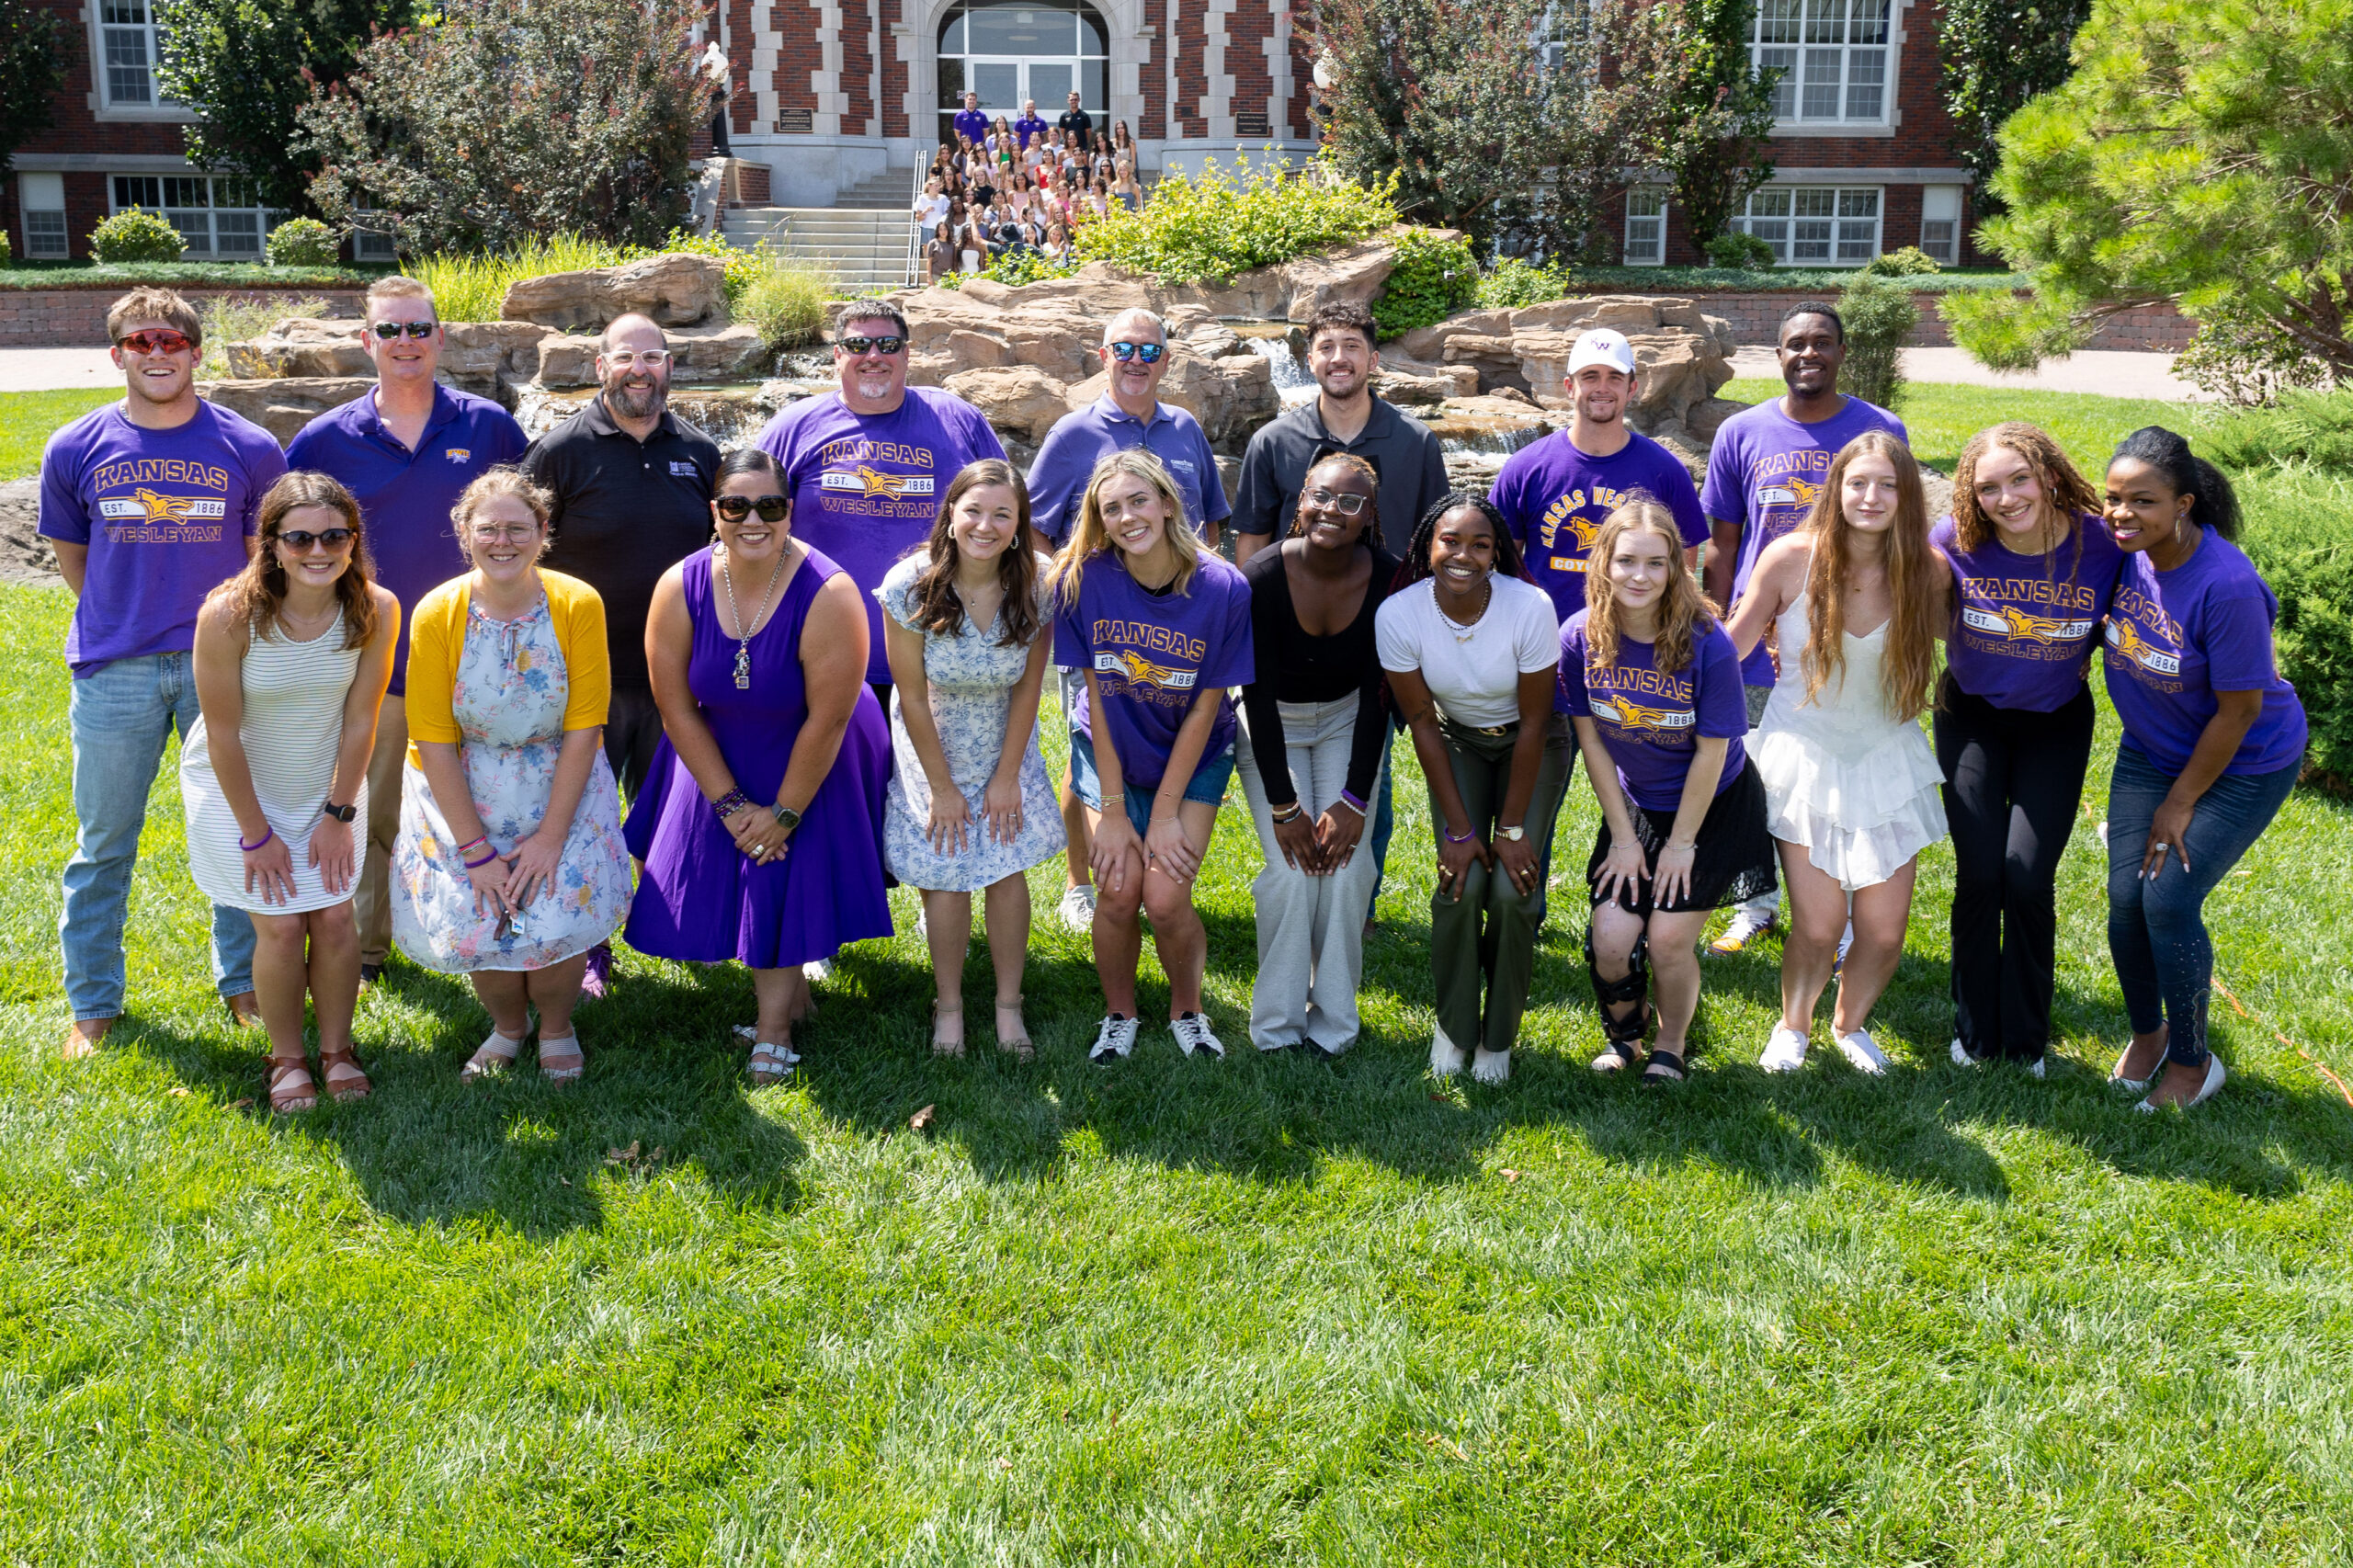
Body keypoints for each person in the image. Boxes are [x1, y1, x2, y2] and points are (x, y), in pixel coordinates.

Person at [40, 286, 284, 1057]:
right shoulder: (76, 447)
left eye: (170, 343)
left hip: (223, 665)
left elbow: (262, 562)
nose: (155, 354)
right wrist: (124, 615)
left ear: (195, 353)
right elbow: (75, 558)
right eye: (139, 343)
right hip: (114, 667)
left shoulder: (249, 447)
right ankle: (94, 1003)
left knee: (237, 827)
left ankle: (244, 985)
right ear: (116, 355)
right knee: (105, 840)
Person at [286, 273, 529, 989]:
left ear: (440, 337)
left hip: (481, 652)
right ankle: (368, 946)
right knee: (371, 804)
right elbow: (289, 541)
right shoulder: (325, 439)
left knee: (497, 800)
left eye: (418, 328)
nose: (405, 342)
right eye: (389, 330)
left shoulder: (489, 427)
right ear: (367, 342)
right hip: (374, 657)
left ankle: (507, 929)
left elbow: (528, 524)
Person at [623, 450, 893, 1084]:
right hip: (713, 736)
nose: (753, 520)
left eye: (770, 507)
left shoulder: (830, 592)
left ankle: (773, 1030)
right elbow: (673, 704)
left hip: (813, 743)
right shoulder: (679, 585)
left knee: (778, 862)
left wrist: (783, 812)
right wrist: (728, 804)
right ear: (714, 513)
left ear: (789, 511)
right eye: (736, 506)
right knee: (739, 854)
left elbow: (826, 720)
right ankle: (792, 998)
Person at [391, 469, 633, 1084]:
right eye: (488, 528)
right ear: (464, 535)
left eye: (518, 528)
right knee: (480, 916)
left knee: (557, 912)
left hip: (560, 779)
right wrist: (474, 850)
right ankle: (508, 1026)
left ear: (543, 532)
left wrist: (552, 837)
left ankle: (556, 1024)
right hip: (459, 787)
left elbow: (585, 724)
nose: (503, 541)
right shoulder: (437, 612)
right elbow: (433, 736)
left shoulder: (578, 603)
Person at [1725, 431, 1949, 1076]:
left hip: (1887, 754)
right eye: (1858, 483)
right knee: (1820, 927)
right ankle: (1792, 1025)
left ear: (1905, 495)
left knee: (1882, 932)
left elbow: (1972, 643)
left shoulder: (1925, 571)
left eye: (1887, 485)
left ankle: (1849, 1024)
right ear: (1837, 490)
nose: (1871, 497)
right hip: (1804, 752)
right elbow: (1732, 646)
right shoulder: (1791, 559)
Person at [2099, 428, 2306, 1112]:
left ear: (2184, 503)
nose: (2123, 514)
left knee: (2166, 899)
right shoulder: (2123, 553)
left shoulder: (2227, 586)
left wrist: (2181, 802)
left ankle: (2193, 1065)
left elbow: (2240, 710)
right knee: (2126, 901)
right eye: (2114, 499)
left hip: (2244, 760)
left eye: (2144, 501)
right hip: (2150, 749)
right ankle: (2149, 1036)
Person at [183, 473, 399, 1111]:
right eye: (299, 537)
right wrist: (256, 835)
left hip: (328, 782)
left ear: (353, 540)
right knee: (279, 926)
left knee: (335, 916)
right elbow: (223, 736)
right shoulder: (228, 614)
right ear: (271, 544)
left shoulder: (377, 608)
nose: (318, 550)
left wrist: (339, 811)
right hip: (237, 786)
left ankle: (337, 1050)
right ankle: (286, 1059)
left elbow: (362, 720)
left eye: (335, 535)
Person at [1234, 300, 1454, 927]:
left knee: (1368, 780)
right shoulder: (1275, 441)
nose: (1339, 358)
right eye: (1327, 347)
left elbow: (1438, 541)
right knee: (1292, 787)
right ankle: (1302, 893)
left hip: (1379, 640)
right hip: (1288, 648)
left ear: (1373, 360)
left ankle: (1355, 904)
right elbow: (1250, 542)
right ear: (1310, 360)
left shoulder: (1414, 442)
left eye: (1351, 347)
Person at [1699, 303, 1908, 957]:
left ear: (1842, 352)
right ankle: (1755, 903)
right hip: (1764, 640)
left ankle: (1842, 916)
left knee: (1841, 781)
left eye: (1822, 342)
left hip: (1853, 649)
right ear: (1779, 353)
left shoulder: (1880, 428)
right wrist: (1719, 620)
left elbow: (1899, 525)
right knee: (1754, 781)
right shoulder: (1742, 431)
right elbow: (1723, 542)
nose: (1808, 353)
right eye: (1796, 344)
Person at [521, 310, 719, 996]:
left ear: (670, 366)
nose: (641, 370)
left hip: (678, 679)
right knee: (585, 819)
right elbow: (519, 549)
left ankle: (679, 934)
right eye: (625, 358)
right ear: (600, 366)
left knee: (673, 815)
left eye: (654, 357)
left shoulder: (698, 453)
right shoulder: (560, 452)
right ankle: (588, 951)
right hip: (585, 679)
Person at [1027, 308, 1231, 935]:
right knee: (1092, 740)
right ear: (1102, 354)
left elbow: (1212, 522)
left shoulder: (1186, 428)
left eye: (1149, 351)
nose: (1136, 361)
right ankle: (1080, 882)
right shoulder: (1072, 434)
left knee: (1180, 730)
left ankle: (1159, 842)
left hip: (1184, 621)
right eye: (1124, 348)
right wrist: (1070, 595)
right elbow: (1034, 534)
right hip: (1101, 624)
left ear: (1166, 360)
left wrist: (1210, 598)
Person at [1932, 422, 2123, 1076]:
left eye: (2019, 480)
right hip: (1972, 719)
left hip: (2056, 723)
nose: (2007, 498)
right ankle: (1975, 1030)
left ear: (2047, 474)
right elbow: (1911, 605)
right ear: (1971, 494)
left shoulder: (2101, 543)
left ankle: (2026, 1037)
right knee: (1982, 870)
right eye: (1989, 488)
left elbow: (2151, 595)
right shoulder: (1955, 542)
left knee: (2027, 874)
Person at [1050, 450, 1253, 1064]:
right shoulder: (1083, 581)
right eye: (1111, 508)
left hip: (1192, 756)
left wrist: (1163, 815)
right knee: (1115, 891)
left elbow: (1203, 709)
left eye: (1139, 500)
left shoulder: (1223, 588)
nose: (1127, 517)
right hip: (1110, 745)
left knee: (1164, 899)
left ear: (1168, 503)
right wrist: (1112, 813)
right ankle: (1120, 1014)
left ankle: (1187, 1011)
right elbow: (1098, 700)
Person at [1562, 502, 1775, 1085]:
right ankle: (1625, 1035)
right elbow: (1592, 741)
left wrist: (1681, 846)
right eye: (1625, 560)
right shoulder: (1580, 636)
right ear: (1601, 563)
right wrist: (1625, 839)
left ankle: (1671, 1043)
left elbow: (1711, 752)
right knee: (1610, 937)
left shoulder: (1708, 643)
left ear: (1678, 568)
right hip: (1636, 804)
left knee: (1668, 940)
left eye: (1656, 563)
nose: (1639, 575)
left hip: (1713, 806)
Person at [1376, 494, 1568, 1085]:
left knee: (1513, 890)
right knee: (1460, 882)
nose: (1463, 554)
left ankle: (1498, 1039)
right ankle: (1456, 1027)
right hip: (1457, 741)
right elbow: (1422, 723)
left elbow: (1535, 722)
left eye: (1480, 545)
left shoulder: (1529, 606)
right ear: (1428, 547)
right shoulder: (1399, 614)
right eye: (1450, 542)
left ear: (1498, 553)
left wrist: (1510, 831)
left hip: (1533, 743)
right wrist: (1461, 831)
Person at [877, 460, 1065, 1057]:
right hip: (931, 736)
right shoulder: (909, 583)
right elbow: (909, 694)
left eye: (1001, 515)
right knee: (949, 870)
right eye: (974, 511)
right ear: (952, 516)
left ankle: (1009, 1005)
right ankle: (950, 1005)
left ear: (1017, 526)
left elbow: (1030, 689)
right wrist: (943, 788)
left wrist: (1007, 775)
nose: (986, 525)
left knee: (1006, 866)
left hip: (1004, 735)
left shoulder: (1036, 584)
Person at [756, 299, 1007, 705]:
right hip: (816, 655)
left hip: (944, 655)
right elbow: (746, 529)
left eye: (888, 345)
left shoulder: (959, 419)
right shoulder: (792, 428)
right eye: (858, 345)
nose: (873, 356)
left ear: (907, 354)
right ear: (837, 354)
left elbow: (1008, 516)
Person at [1234, 455, 1395, 1057]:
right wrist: (1285, 806)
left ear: (1369, 516)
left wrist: (1354, 799)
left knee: (1348, 866)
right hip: (1272, 722)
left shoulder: (1390, 577)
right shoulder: (1261, 577)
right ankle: (1276, 1025)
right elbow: (1256, 698)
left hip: (1349, 718)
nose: (1333, 510)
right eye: (1322, 496)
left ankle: (1333, 1024)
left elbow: (1382, 696)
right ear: (1301, 500)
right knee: (1291, 868)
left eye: (1351, 502)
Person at [1057, 89, 1097, 153]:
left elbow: (1088, 133)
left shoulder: (1084, 116)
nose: (1074, 101)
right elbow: (1063, 132)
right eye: (1071, 100)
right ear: (1068, 101)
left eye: (1075, 99)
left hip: (1082, 148)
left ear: (1079, 100)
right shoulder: (1064, 116)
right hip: (1068, 149)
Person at [913, 176, 950, 243]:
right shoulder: (922, 198)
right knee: (927, 249)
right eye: (936, 186)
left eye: (939, 186)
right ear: (929, 186)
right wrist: (926, 210)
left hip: (940, 229)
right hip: (927, 228)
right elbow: (918, 218)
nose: (938, 188)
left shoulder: (943, 198)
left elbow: (947, 213)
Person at [926, 221, 958, 286]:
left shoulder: (952, 244)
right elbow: (929, 261)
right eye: (941, 230)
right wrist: (929, 276)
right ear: (938, 231)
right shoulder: (933, 243)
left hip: (948, 275)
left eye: (945, 229)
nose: (943, 232)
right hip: (936, 274)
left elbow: (954, 260)